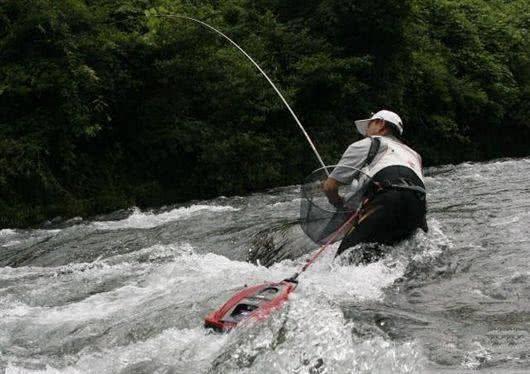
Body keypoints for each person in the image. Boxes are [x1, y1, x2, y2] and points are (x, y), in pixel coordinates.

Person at [323, 109, 427, 263]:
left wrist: (338, 202)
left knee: (343, 262)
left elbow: (330, 187)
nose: (366, 133)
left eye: (369, 125)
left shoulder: (368, 143)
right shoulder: (414, 155)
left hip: (388, 200)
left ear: (381, 124)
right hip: (418, 208)